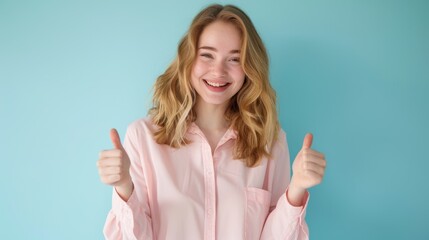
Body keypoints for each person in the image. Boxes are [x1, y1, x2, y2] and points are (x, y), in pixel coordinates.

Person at [97, 4, 326, 240]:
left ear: (249, 68)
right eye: (207, 55)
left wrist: (297, 188)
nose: (218, 71)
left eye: (235, 59)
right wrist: (124, 185)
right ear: (188, 58)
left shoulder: (271, 141)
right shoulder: (143, 137)